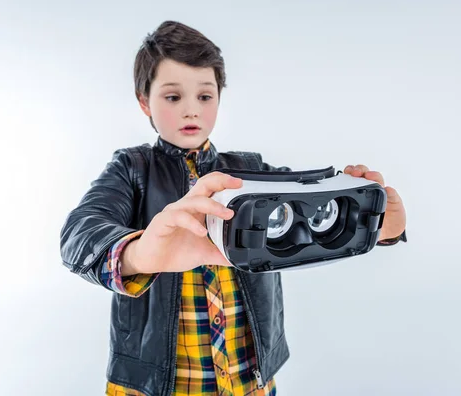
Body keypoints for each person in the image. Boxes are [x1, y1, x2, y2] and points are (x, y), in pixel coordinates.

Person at [60, 20, 407, 396]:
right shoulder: (132, 169)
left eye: (205, 97)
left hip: (249, 380)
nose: (191, 110)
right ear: (145, 101)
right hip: (154, 385)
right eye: (173, 97)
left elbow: (315, 212)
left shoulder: (251, 170)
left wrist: (379, 227)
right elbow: (80, 231)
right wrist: (141, 254)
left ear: (219, 99)